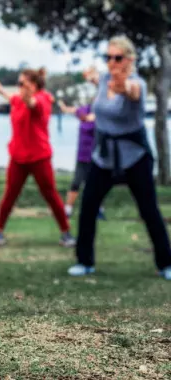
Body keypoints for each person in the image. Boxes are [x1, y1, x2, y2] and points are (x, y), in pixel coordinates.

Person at [69, 36, 171, 280]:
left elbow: (132, 93)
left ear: (129, 59)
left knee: (148, 210)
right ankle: (85, 262)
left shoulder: (137, 84)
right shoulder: (104, 80)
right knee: (88, 207)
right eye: (108, 57)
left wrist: (123, 87)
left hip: (134, 156)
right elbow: (101, 87)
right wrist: (93, 77)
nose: (112, 62)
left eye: (117, 57)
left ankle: (166, 264)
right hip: (103, 157)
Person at [0, 70, 75, 248]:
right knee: (9, 195)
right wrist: (0, 91)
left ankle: (66, 233)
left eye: (22, 84)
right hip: (18, 157)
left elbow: (34, 105)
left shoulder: (43, 98)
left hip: (39, 157)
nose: (19, 87)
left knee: (50, 194)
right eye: (19, 84)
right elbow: (12, 97)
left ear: (34, 86)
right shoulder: (17, 99)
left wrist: (29, 98)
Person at [57, 99, 105, 220]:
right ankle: (67, 210)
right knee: (76, 182)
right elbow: (74, 110)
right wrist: (64, 107)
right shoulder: (84, 110)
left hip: (95, 156)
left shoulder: (102, 116)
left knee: (96, 185)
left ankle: (99, 211)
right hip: (82, 156)